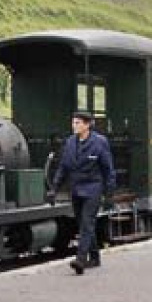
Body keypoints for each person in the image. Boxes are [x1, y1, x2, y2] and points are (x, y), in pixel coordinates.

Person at [52, 110, 116, 275]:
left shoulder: (100, 142)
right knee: (83, 225)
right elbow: (63, 168)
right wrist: (54, 189)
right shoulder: (69, 142)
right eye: (73, 122)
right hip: (76, 189)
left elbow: (108, 169)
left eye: (78, 123)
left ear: (87, 125)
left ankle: (81, 259)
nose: (74, 126)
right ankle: (94, 258)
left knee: (87, 223)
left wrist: (109, 194)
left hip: (93, 189)